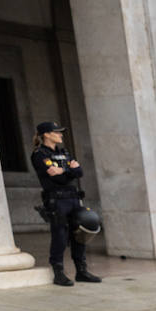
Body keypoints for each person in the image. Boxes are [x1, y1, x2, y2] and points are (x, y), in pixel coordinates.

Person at [30, 119, 102, 286]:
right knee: (60, 237)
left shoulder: (65, 152)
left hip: (73, 198)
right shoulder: (40, 154)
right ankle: (59, 273)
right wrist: (69, 170)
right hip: (57, 200)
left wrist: (63, 170)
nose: (60, 135)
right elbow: (60, 177)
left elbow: (79, 172)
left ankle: (81, 271)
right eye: (56, 132)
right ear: (46, 135)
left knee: (80, 233)